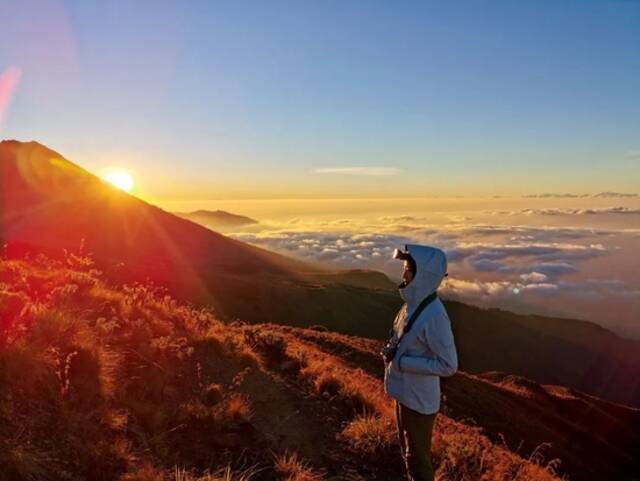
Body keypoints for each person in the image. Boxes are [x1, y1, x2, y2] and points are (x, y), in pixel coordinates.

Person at [383, 244, 458, 481]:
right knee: (409, 452)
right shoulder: (413, 304)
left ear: (423, 275)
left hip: (418, 401)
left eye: (408, 269)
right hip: (405, 392)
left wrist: (405, 363)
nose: (404, 274)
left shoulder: (435, 316)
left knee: (418, 459)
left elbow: (449, 365)